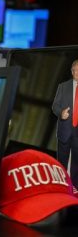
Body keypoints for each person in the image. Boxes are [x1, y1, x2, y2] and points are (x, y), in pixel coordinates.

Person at [52, 59, 78, 188]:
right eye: (75, 70)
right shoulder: (63, 86)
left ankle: (74, 188)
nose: (77, 73)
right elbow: (54, 106)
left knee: (76, 163)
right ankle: (60, 185)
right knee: (61, 162)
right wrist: (61, 113)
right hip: (65, 130)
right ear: (72, 71)